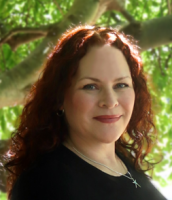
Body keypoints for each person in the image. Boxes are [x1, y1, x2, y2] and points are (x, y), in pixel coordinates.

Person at [4, 25, 167, 200]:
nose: (110, 102)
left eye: (121, 85)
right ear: (59, 98)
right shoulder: (41, 183)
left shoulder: (124, 162)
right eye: (91, 86)